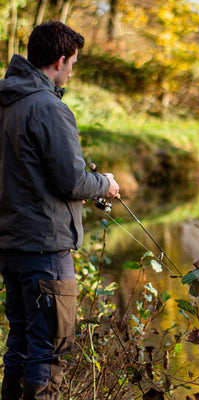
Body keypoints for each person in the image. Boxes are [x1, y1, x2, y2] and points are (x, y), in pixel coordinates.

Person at [0, 21, 119, 400]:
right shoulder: (48, 108)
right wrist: (106, 184)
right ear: (60, 59)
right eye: (73, 63)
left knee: (19, 346)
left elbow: (28, 173)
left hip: (11, 249)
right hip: (46, 252)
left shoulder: (7, 101)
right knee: (49, 351)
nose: (73, 71)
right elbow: (72, 182)